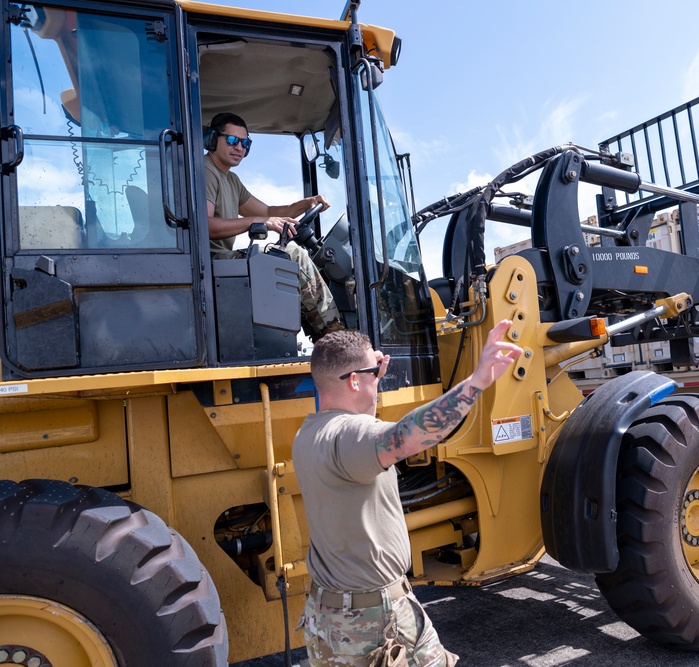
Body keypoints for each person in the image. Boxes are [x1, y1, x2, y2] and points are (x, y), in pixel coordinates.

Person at [292, 320, 524, 666]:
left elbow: (360, 423)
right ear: (354, 380)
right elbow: (409, 436)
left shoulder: (310, 435)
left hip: (339, 614)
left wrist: (372, 379)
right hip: (373, 621)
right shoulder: (349, 437)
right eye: (372, 371)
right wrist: (477, 381)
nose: (377, 375)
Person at [204, 111, 342, 341]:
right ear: (211, 140)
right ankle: (334, 336)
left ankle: (321, 336)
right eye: (232, 140)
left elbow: (268, 212)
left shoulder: (231, 179)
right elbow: (206, 226)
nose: (239, 147)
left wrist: (306, 203)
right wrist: (258, 223)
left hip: (220, 261)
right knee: (293, 255)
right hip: (209, 262)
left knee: (288, 260)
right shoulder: (206, 170)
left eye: (245, 143)